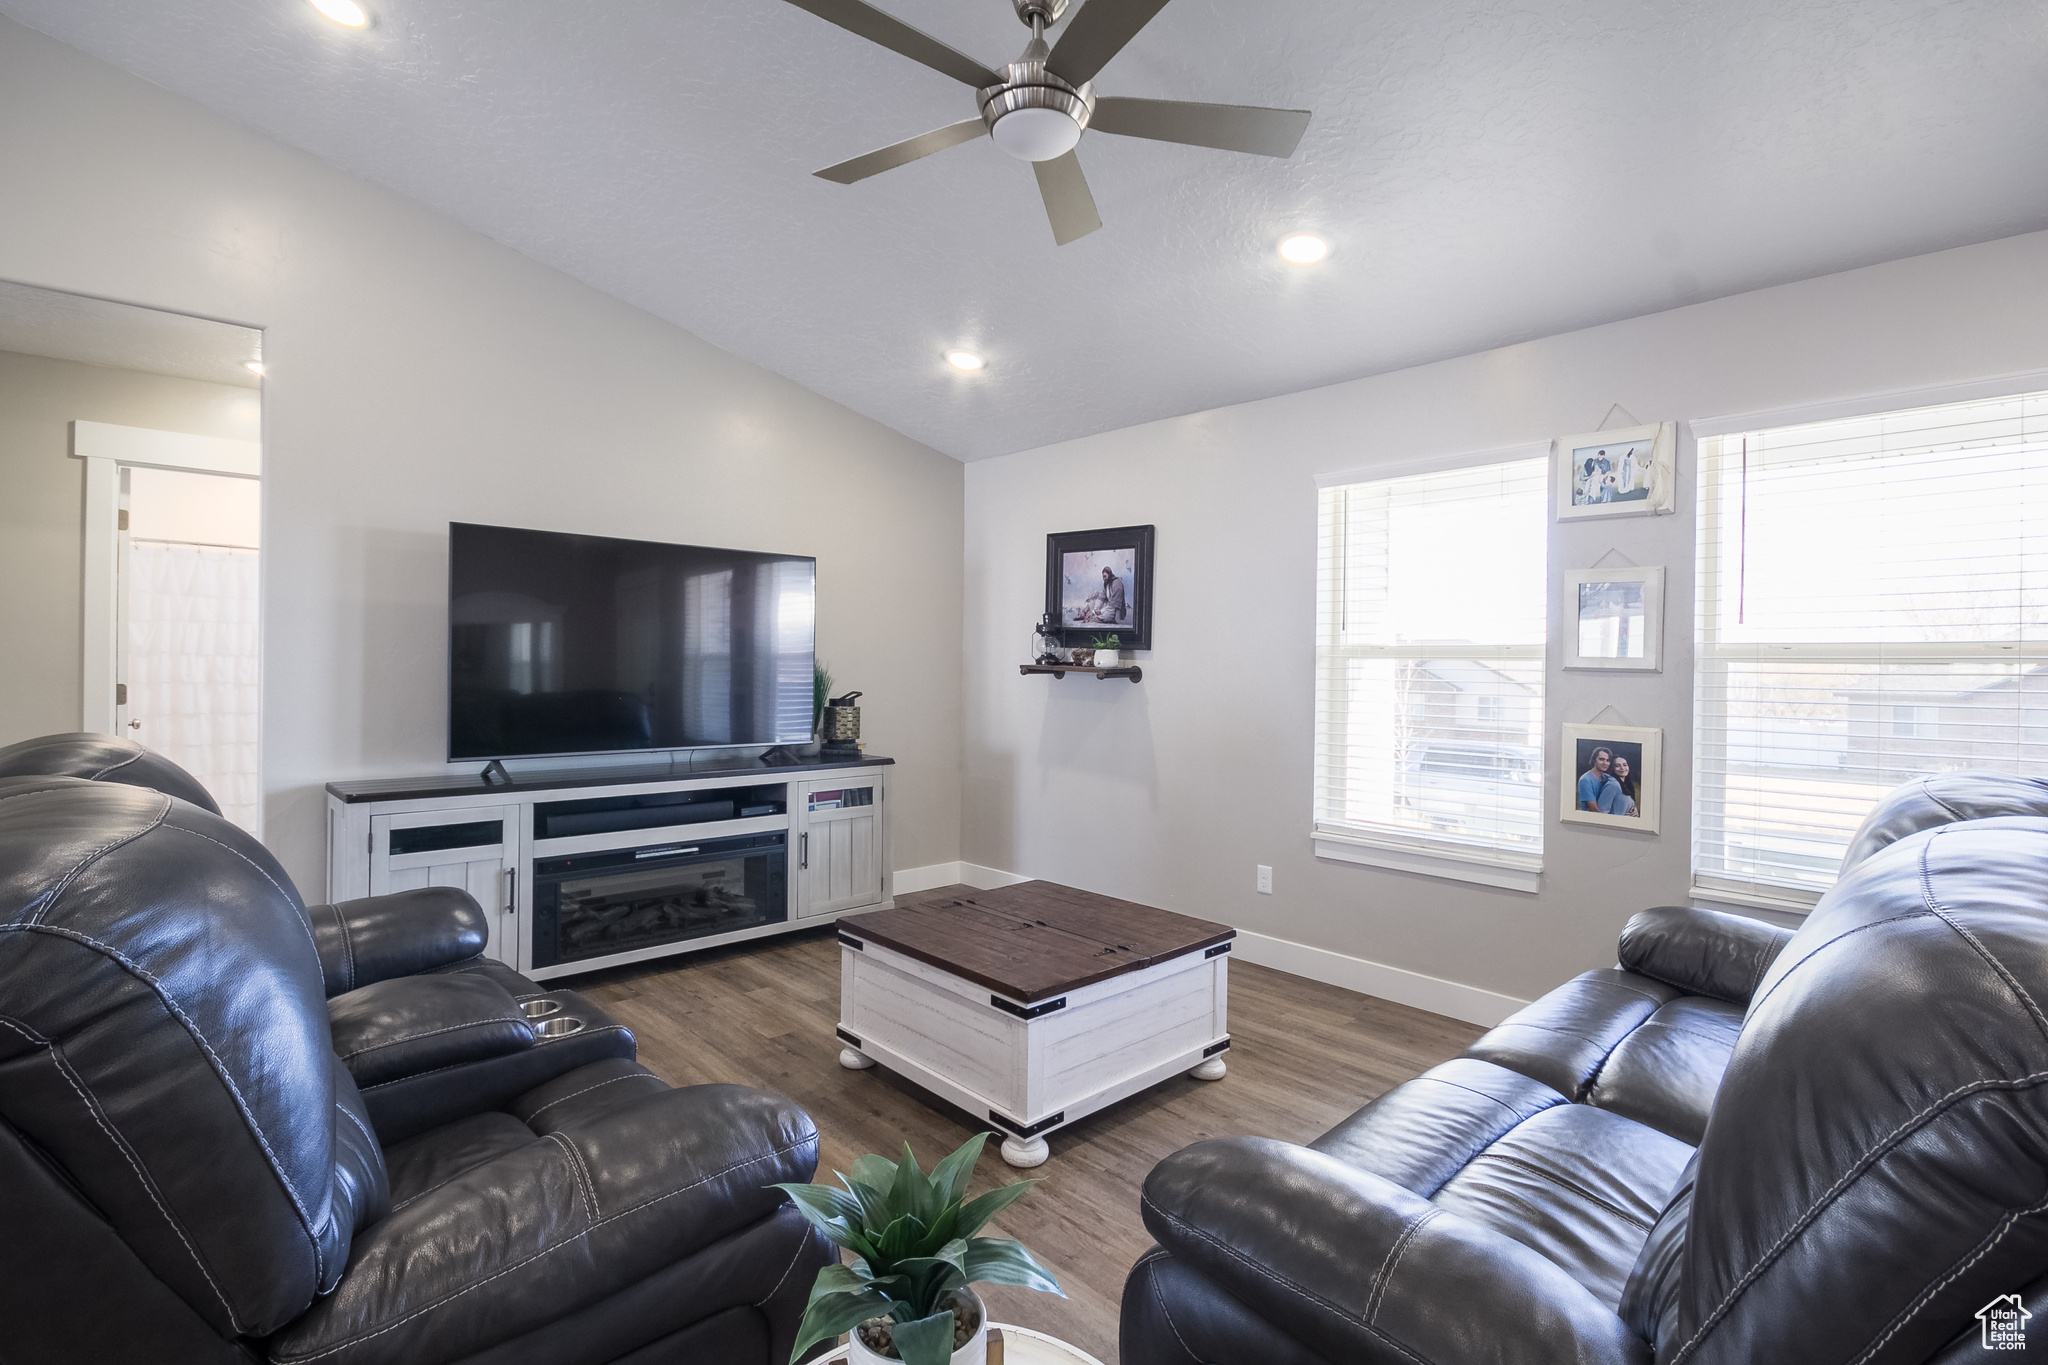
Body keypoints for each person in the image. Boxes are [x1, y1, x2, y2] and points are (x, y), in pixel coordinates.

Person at [1577, 747, 1611, 811]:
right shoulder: (1585, 780)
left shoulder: (1608, 778)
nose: (1605, 763)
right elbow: (1593, 809)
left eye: (1607, 760)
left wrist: (1632, 807)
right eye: (1601, 759)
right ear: (1594, 760)